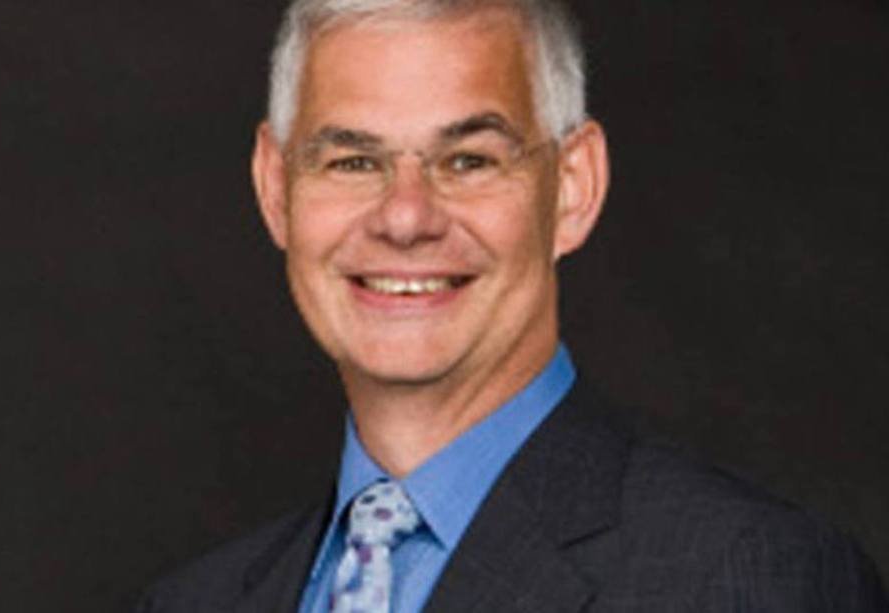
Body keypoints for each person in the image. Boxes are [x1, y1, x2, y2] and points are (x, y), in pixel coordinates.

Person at [136, 0, 888, 611]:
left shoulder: (747, 578)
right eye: (354, 161)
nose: (405, 218)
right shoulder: (191, 603)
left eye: (468, 160)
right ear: (276, 188)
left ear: (572, 188)